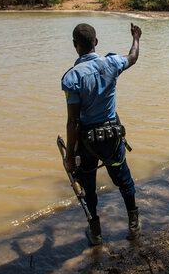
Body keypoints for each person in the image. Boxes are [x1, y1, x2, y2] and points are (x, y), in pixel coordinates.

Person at [61, 22, 142, 246]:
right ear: (96, 42)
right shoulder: (112, 63)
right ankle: (133, 226)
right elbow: (133, 57)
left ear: (75, 45)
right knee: (123, 180)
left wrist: (69, 155)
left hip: (87, 142)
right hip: (112, 138)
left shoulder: (72, 78)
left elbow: (74, 121)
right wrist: (136, 38)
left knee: (88, 186)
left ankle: (96, 233)